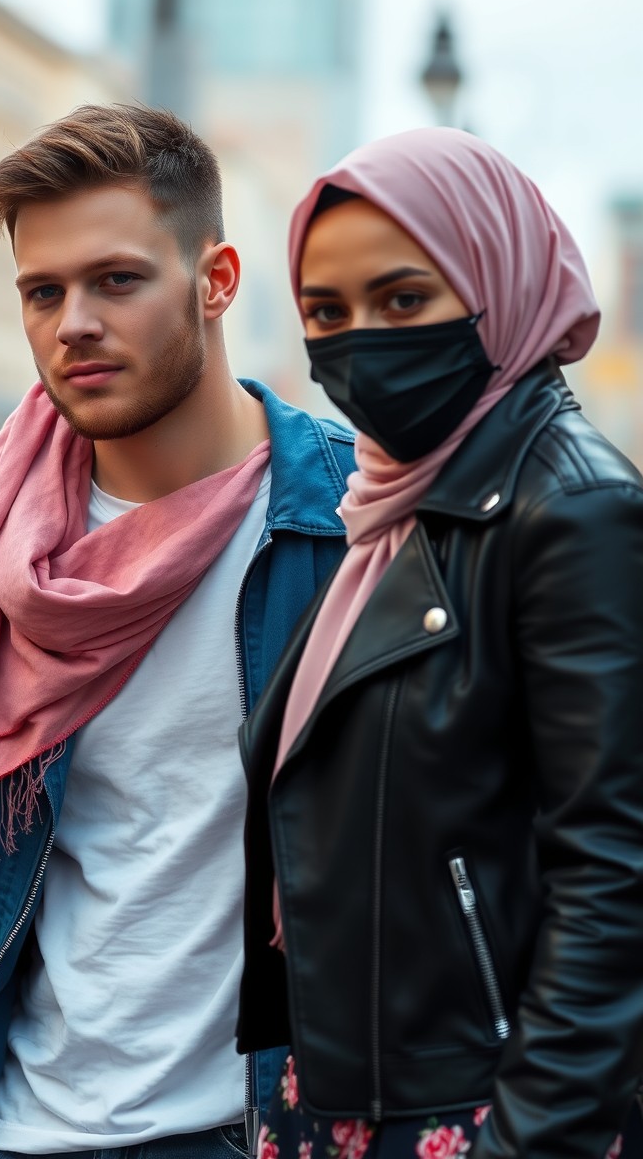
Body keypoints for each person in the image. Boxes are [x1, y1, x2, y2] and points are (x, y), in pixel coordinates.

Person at [0, 104, 355, 1159]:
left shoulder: (349, 520)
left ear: (214, 281)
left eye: (116, 280)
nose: (72, 321)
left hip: (256, 1122)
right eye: (42, 291)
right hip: (24, 1127)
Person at [237, 128, 643, 1159]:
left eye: (404, 299)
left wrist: (532, 1137)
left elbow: (615, 870)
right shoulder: (392, 502)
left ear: (494, 281)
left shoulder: (572, 510)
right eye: (326, 312)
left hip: (474, 1111)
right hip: (347, 1090)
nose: (361, 342)